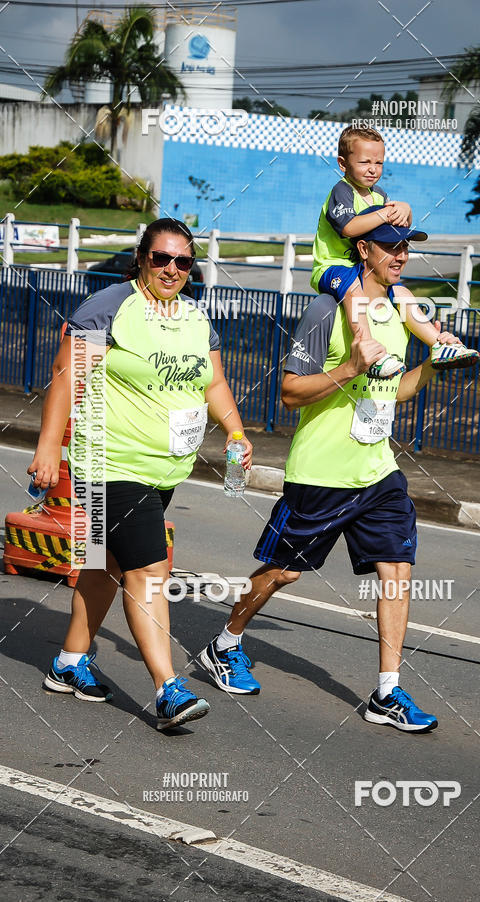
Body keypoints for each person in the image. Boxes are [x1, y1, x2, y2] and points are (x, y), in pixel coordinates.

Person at [201, 212, 461, 733]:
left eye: (407, 246)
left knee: (397, 570)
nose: (402, 255)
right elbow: (290, 392)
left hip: (378, 471)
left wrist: (436, 361)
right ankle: (225, 642)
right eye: (391, 246)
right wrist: (348, 369)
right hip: (321, 471)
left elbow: (398, 390)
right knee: (285, 571)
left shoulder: (397, 311)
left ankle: (387, 690)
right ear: (362, 251)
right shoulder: (326, 310)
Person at [29, 218, 252, 731]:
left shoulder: (196, 319)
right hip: (110, 465)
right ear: (142, 258)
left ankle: (68, 664)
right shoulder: (110, 307)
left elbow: (213, 381)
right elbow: (67, 378)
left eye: (183, 261)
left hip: (163, 470)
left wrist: (235, 432)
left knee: (105, 565)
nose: (171, 268)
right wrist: (47, 450)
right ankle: (167, 690)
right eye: (161, 258)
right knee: (149, 572)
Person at [311, 125, 479, 378]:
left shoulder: (379, 194)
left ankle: (439, 344)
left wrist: (405, 208)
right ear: (343, 164)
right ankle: (368, 351)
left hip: (362, 269)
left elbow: (396, 229)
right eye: (365, 161)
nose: (372, 169)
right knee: (352, 289)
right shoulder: (342, 191)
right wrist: (384, 213)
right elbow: (348, 227)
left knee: (401, 292)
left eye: (379, 162)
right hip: (333, 267)